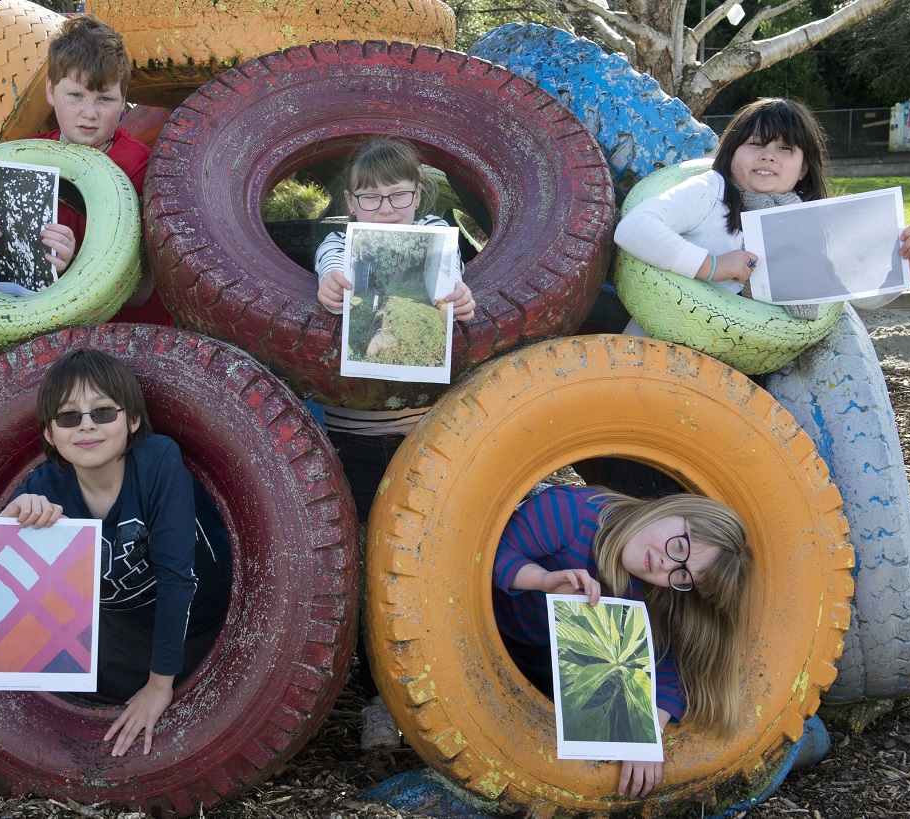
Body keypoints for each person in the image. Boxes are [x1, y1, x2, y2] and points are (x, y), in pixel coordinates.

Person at [0, 348, 231, 757]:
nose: (86, 427)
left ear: (132, 421)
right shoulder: (45, 487)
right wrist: (6, 527)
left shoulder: (157, 462)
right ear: (50, 433)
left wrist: (159, 686)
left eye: (102, 413)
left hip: (200, 626)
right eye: (68, 417)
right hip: (118, 642)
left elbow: (176, 578)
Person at [313, 137, 476, 750]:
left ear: (419, 194)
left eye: (399, 195)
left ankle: (407, 693)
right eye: (372, 198)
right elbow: (329, 266)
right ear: (351, 201)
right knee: (357, 550)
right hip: (351, 433)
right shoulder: (342, 239)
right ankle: (364, 689)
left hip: (417, 431)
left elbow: (453, 280)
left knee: (411, 553)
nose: (387, 208)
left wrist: (460, 298)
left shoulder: (436, 233)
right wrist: (332, 283)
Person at [493, 485, 753, 799]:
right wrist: (542, 580)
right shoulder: (572, 514)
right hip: (493, 631)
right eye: (680, 548)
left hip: (555, 661)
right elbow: (491, 553)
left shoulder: (655, 590)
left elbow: (668, 663)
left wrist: (646, 737)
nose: (665, 566)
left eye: (683, 576)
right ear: (673, 507)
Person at [614, 97, 910, 327]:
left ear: (804, 167)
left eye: (784, 149)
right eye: (756, 144)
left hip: (748, 360)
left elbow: (854, 293)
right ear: (731, 151)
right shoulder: (711, 189)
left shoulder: (809, 221)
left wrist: (902, 268)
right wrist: (710, 266)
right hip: (665, 339)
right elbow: (635, 228)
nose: (768, 157)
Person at [0, 14, 171, 325]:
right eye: (75, 95)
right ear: (51, 91)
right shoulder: (24, 158)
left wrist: (73, 265)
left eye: (105, 99)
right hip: (45, 329)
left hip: (125, 340)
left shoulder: (145, 172)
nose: (89, 113)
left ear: (123, 102)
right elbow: (5, 285)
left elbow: (141, 292)